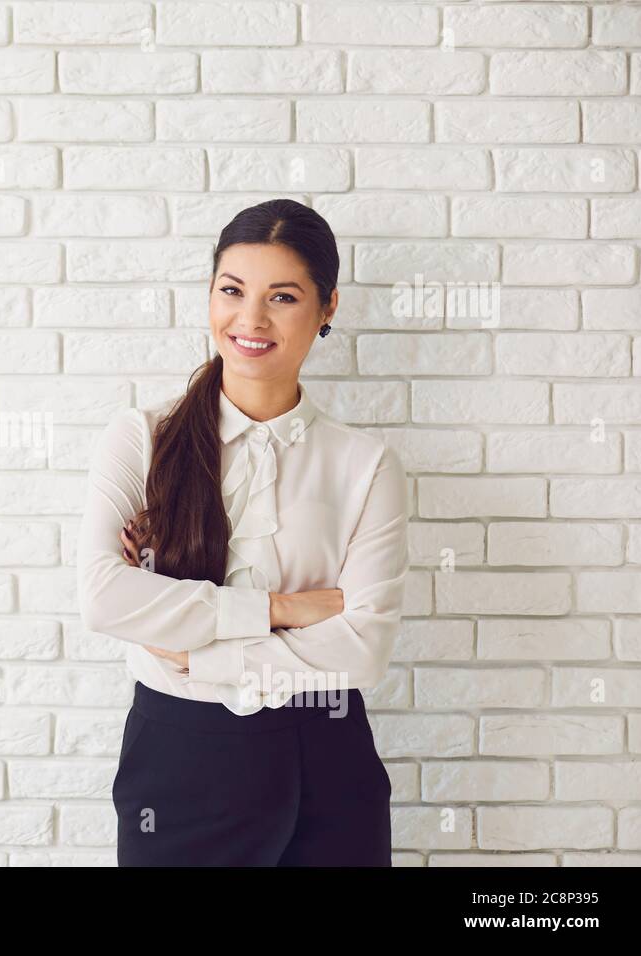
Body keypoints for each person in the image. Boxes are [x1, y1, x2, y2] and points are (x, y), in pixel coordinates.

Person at [79, 199, 410, 866]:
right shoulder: (143, 439)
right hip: (174, 769)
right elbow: (104, 598)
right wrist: (280, 611)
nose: (250, 319)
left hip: (327, 770)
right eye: (232, 291)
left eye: (282, 297)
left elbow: (363, 648)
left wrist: (197, 653)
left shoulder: (365, 465)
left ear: (327, 309)